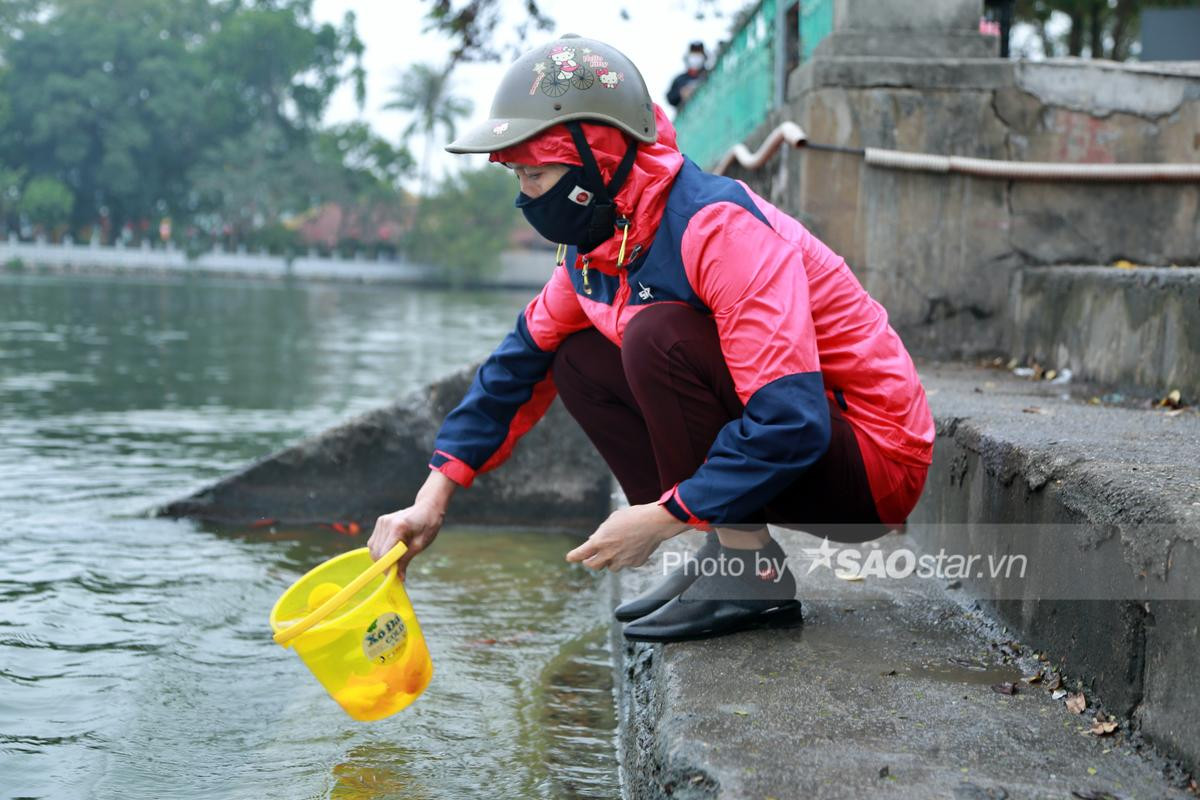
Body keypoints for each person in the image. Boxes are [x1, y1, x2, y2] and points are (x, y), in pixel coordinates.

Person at [368, 34, 934, 643]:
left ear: (597, 161)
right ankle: (729, 549)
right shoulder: (597, 252)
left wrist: (661, 519)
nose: (523, 195)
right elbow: (515, 366)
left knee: (656, 334)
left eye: (536, 173)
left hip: (873, 463)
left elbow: (792, 420)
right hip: (802, 447)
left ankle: (747, 567)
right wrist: (431, 499)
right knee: (577, 356)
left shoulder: (715, 228)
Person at [666, 40, 707, 110]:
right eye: (694, 53)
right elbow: (670, 98)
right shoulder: (679, 79)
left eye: (698, 53)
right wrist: (681, 93)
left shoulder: (708, 75)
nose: (696, 57)